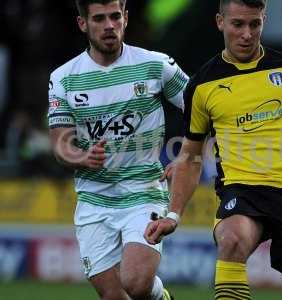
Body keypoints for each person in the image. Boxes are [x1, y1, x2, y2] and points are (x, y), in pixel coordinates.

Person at [145, 0, 282, 299]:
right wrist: (173, 215)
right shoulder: (202, 85)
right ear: (220, 22)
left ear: (263, 20)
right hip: (242, 192)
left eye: (255, 24)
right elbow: (190, 156)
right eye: (238, 24)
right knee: (232, 239)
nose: (247, 34)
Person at [48, 1, 188, 299]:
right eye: (99, 18)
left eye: (115, 17)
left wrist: (187, 156)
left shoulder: (156, 64)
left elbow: (203, 110)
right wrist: (81, 156)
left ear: (125, 17)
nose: (109, 25)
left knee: (136, 283)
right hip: (93, 200)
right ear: (83, 24)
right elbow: (60, 144)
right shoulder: (63, 77)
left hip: (143, 191)